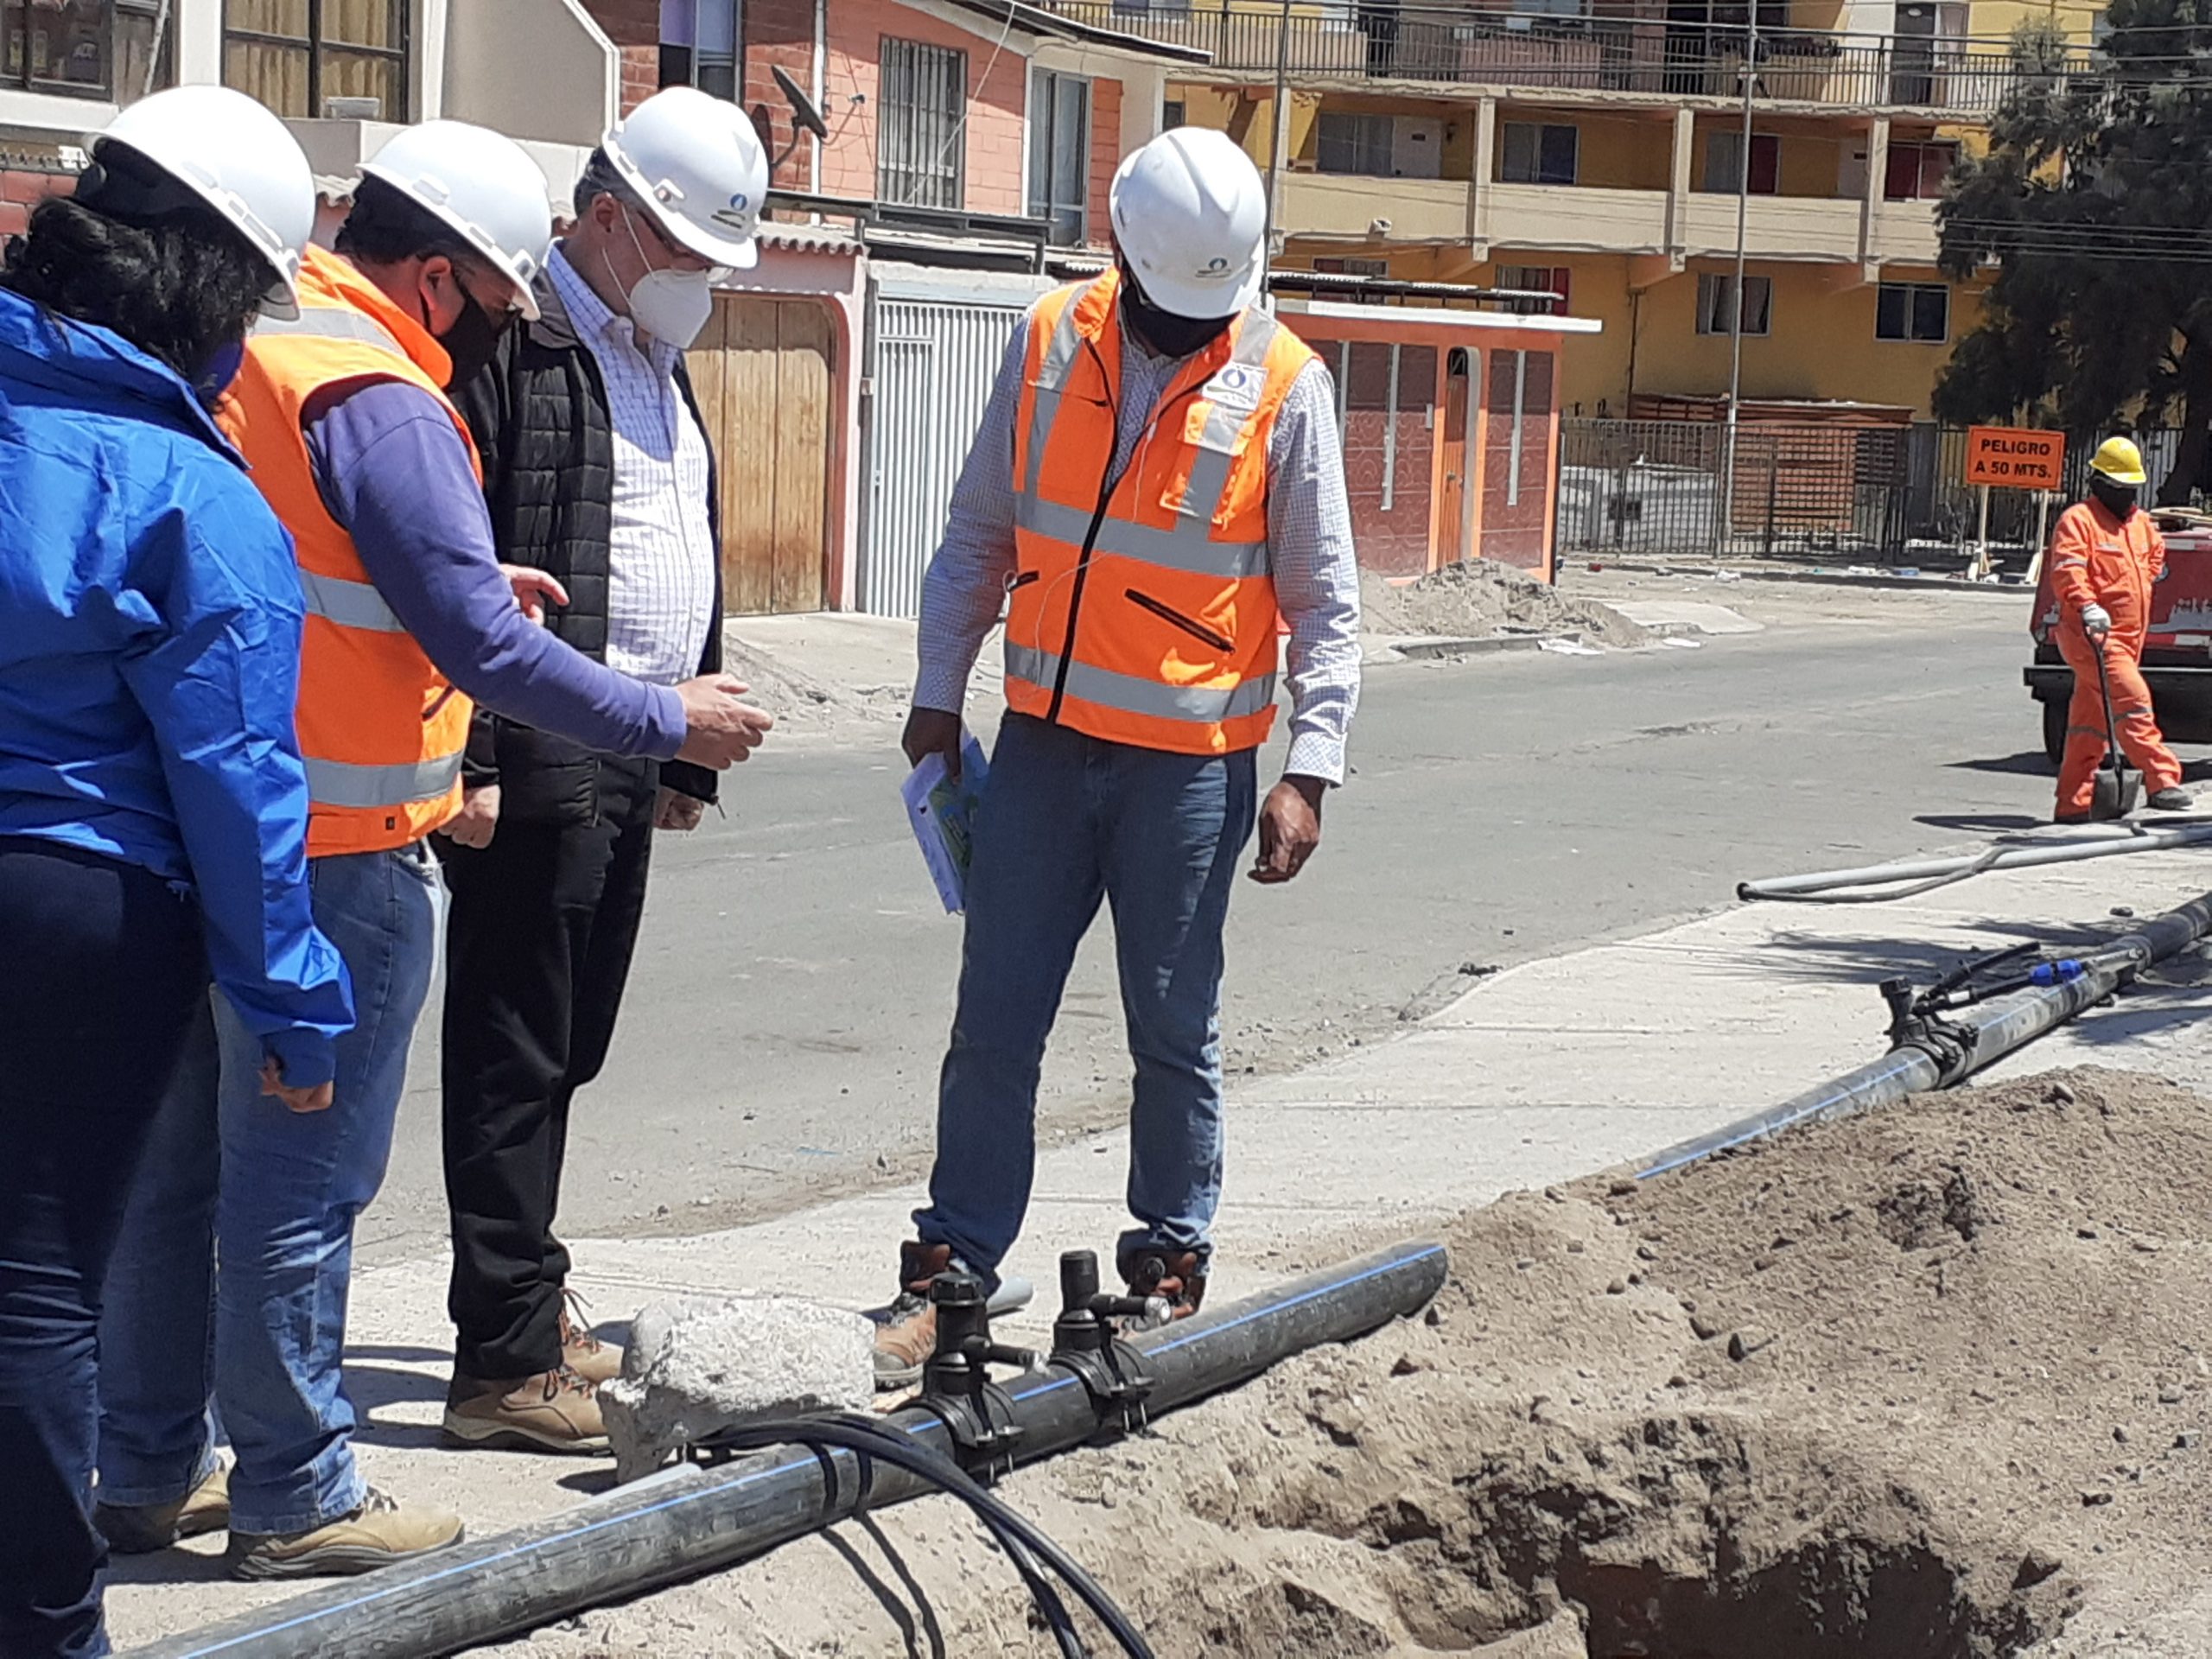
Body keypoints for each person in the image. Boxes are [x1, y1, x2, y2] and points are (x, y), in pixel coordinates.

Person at [94, 119, 773, 1580]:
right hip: (337, 851)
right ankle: (295, 1491)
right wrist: (663, 716)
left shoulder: (254, 347)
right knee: (300, 1184)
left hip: (198, 822)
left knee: (173, 1174)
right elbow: (475, 639)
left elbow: (332, 570)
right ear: (449, 279)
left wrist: (462, 590)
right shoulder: (385, 392)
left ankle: (149, 1465)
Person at [871, 128, 1363, 1389]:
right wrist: (939, 693)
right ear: (1120, 253)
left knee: (1172, 1030)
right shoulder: (1046, 342)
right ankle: (955, 1269)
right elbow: (980, 530)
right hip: (1041, 747)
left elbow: (1325, 599)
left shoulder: (1286, 382)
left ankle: (1165, 1267)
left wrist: (1310, 765)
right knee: (995, 1020)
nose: (1195, 323)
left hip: (1188, 771)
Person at [0, 86, 350, 1657]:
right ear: (214, 294)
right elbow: (236, 785)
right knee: (34, 1287)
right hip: (77, 910)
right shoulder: (193, 497)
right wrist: (294, 1007)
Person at [434, 87, 767, 1455]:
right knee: (513, 1051)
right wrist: (472, 754)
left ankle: (528, 1291)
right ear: (614, 219)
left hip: (636, 743)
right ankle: (501, 1360)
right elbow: (453, 563)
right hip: (543, 744)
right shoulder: (517, 342)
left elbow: (683, 527)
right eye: (689, 252)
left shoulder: (649, 351)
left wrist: (692, 743)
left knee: (572, 1045)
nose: (700, 281)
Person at [2050, 436, 2191, 823]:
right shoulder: (2078, 521)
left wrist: (2141, 580)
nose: (2127, 496)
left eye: (2131, 489)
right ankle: (2162, 779)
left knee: (2088, 723)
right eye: (2120, 488)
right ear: (2099, 483)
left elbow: (2155, 554)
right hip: (2091, 637)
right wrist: (2087, 604)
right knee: (2133, 700)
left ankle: (2073, 804)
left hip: (2129, 640)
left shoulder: (2141, 524)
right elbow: (2067, 569)